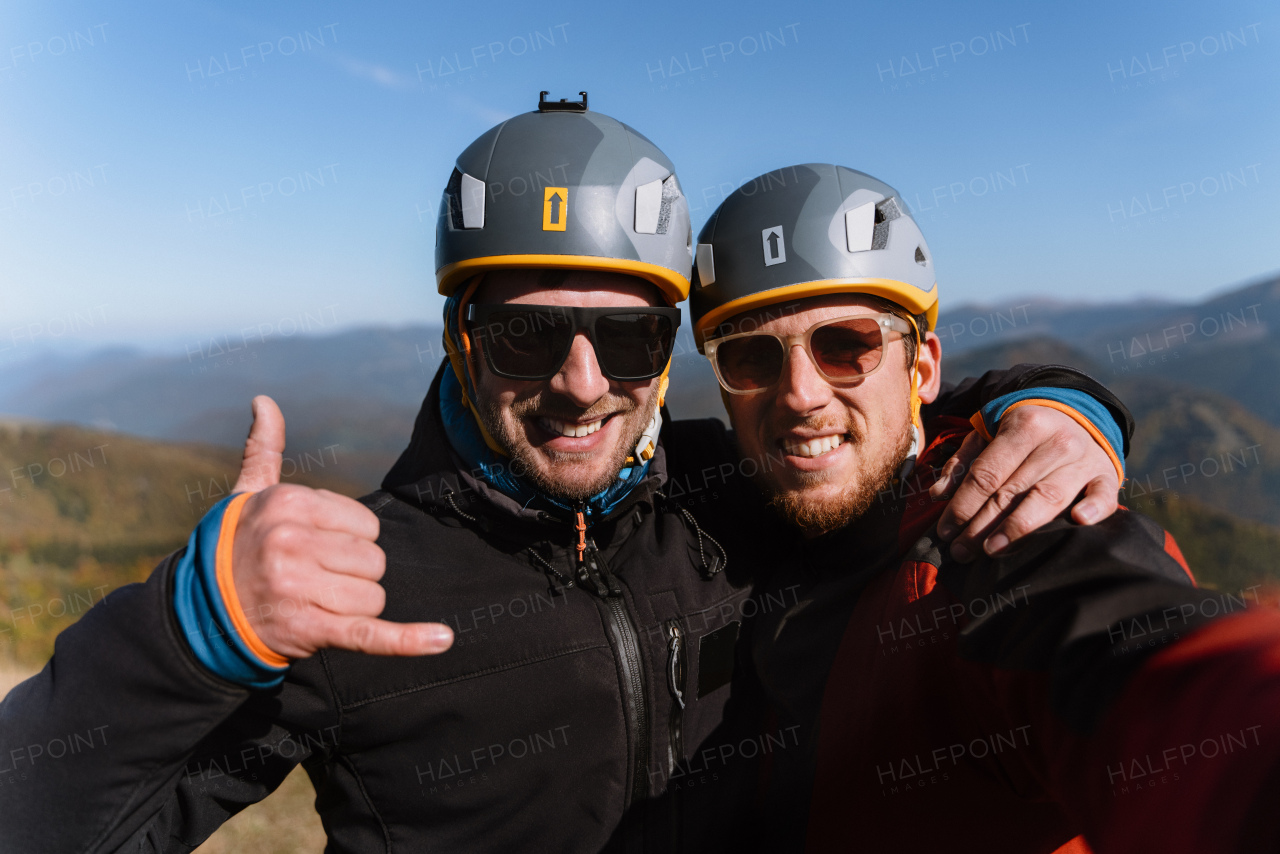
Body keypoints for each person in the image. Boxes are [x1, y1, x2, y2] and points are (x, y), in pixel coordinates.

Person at [0, 100, 1128, 853]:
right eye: (527, 340)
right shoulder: (346, 592)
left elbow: (867, 409)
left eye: (626, 338)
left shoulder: (735, 495)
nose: (582, 384)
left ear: (670, 346)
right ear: (460, 338)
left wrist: (1056, 407)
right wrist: (187, 632)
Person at [682, 162, 1280, 853]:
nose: (800, 395)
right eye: (751, 358)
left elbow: (1140, 653)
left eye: (848, 346)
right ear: (724, 389)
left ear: (924, 370)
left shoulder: (998, 533)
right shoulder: (719, 517)